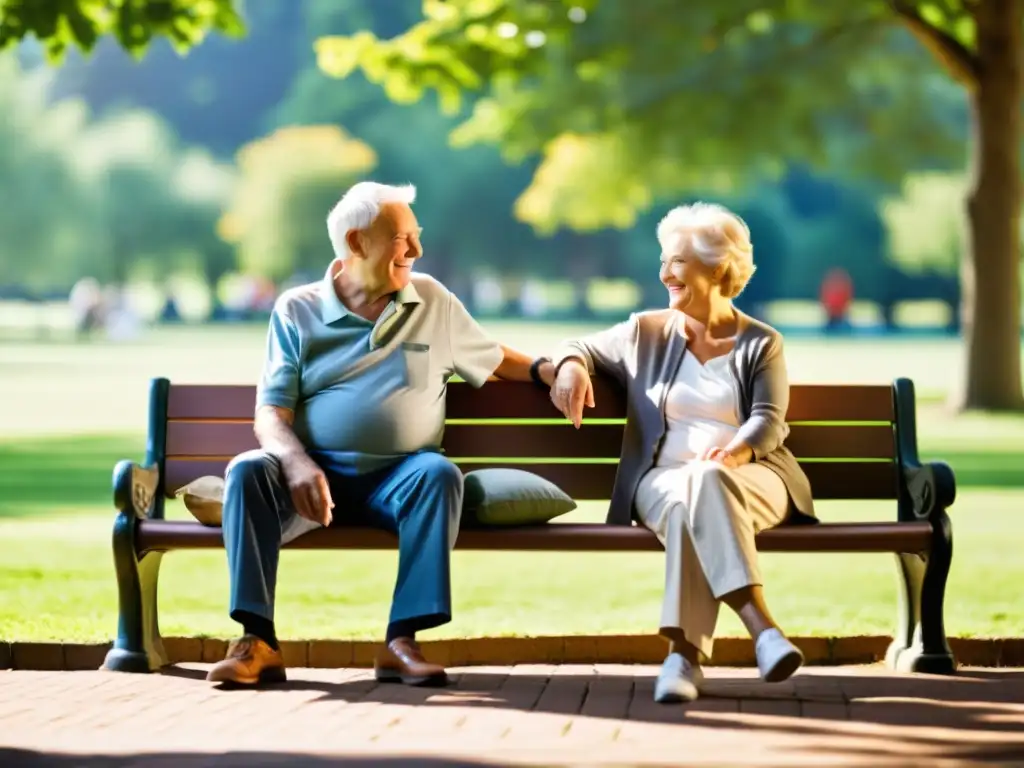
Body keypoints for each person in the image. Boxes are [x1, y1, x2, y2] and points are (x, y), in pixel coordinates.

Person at [207, 181, 554, 688]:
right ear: (356, 243)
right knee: (247, 470)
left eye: (416, 237)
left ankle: (402, 642)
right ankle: (256, 641)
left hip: (400, 478)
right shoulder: (296, 309)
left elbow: (496, 358)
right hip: (314, 476)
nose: (416, 250)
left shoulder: (431, 299)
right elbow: (270, 416)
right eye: (402, 239)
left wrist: (554, 367)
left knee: (439, 473)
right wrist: (297, 463)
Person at [548, 202, 816, 704]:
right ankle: (762, 629)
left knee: (705, 486)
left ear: (717, 269)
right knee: (693, 490)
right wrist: (570, 364)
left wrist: (732, 456)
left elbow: (768, 421)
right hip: (662, 482)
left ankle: (683, 659)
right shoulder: (644, 332)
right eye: (663, 260)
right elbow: (575, 344)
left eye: (677, 262)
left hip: (752, 479)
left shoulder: (762, 343)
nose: (663, 272)